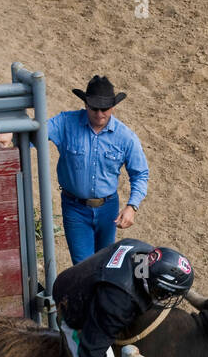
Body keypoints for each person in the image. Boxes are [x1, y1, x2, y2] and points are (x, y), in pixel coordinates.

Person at [52, 239, 194, 357]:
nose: (170, 297)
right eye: (170, 293)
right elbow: (91, 350)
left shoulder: (144, 251)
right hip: (72, 305)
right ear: (159, 286)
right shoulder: (119, 301)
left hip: (83, 278)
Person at [49, 75, 149, 264]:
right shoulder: (65, 123)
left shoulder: (126, 137)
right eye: (94, 108)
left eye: (105, 109)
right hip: (75, 208)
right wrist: (10, 134)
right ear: (86, 104)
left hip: (108, 210)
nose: (100, 114)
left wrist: (132, 206)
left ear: (113, 107)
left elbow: (140, 173)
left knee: (106, 266)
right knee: (83, 266)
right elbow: (36, 132)